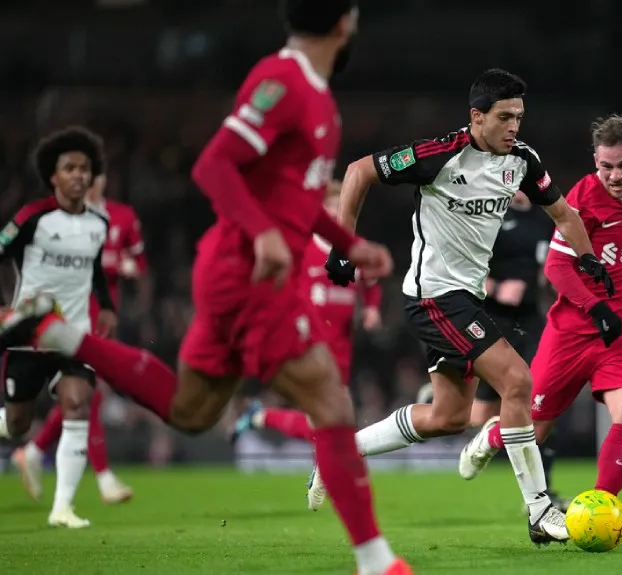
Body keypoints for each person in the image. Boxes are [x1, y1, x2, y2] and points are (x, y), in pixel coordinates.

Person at [0, 2, 411, 573]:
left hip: (242, 272)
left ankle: (58, 334)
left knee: (190, 411)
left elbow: (291, 197)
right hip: (250, 276)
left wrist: (347, 242)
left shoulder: (314, 93)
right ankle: (377, 561)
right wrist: (263, 234)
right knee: (330, 399)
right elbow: (213, 165)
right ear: (345, 22)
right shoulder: (283, 81)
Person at [308, 68, 619, 545]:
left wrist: (588, 257)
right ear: (477, 117)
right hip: (433, 296)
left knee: (449, 418)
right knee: (518, 380)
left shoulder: (522, 160)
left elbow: (563, 213)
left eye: (519, 116)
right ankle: (539, 510)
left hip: (466, 298)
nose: (514, 126)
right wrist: (343, 246)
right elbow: (358, 171)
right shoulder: (439, 155)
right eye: (504, 117)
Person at [458, 114, 622, 500]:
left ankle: (601, 506)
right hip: (570, 333)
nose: (615, 176)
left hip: (619, 336)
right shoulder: (584, 196)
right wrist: (596, 308)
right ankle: (491, 436)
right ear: (595, 161)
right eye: (606, 166)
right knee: (534, 431)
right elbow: (556, 266)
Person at [416, 190, 569, 509]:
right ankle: (441, 400)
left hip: (531, 320)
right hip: (490, 319)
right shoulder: (488, 215)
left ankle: (542, 493)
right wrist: (497, 288)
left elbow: (548, 262)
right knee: (483, 414)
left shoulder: (544, 217)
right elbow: (457, 267)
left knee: (541, 399)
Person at [0, 126, 117, 528]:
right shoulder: (31, 218)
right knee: (18, 425)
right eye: (70, 168)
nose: (79, 175)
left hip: (73, 334)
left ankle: (62, 508)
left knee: (78, 403)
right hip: (28, 337)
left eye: (85, 168)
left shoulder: (99, 224)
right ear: (53, 176)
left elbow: (95, 271)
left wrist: (107, 307)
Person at [13, 170, 142, 505]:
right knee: (87, 394)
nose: (90, 181)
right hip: (71, 316)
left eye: (95, 175)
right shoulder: (61, 221)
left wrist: (128, 266)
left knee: (84, 395)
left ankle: (33, 450)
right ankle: (102, 477)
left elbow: (138, 263)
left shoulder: (122, 216)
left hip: (104, 318)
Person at [231, 180, 383, 442]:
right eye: (331, 206)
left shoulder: (356, 248)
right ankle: (321, 461)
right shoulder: (303, 246)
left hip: (342, 344)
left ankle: (261, 416)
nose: (336, 213)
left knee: (331, 422)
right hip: (311, 344)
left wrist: (371, 308)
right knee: (333, 420)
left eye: (341, 206)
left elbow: (370, 283)